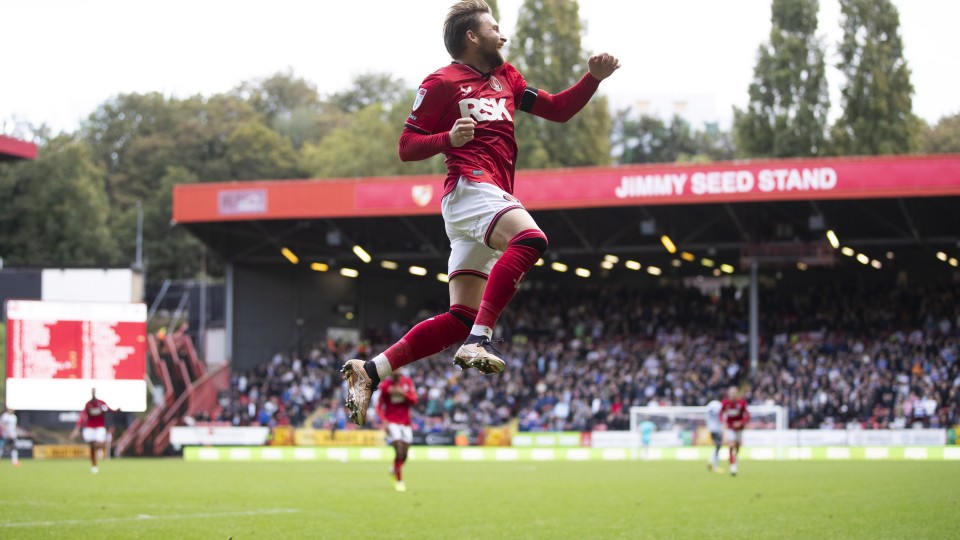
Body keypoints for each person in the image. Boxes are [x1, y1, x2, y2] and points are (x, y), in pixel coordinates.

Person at [341, 0, 621, 426]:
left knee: (459, 318)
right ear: (472, 37)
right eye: (494, 27)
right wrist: (447, 138)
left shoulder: (507, 78)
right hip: (470, 187)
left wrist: (592, 79)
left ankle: (372, 370)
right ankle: (480, 340)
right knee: (530, 239)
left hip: (485, 198)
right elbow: (406, 146)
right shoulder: (441, 82)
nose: (502, 35)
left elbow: (558, 110)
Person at [376, 371, 418, 492]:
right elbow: (379, 406)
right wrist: (384, 421)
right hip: (391, 422)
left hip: (406, 422)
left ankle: (394, 468)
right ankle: (399, 481)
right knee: (399, 450)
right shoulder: (385, 385)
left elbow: (414, 401)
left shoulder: (407, 383)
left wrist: (403, 393)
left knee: (404, 454)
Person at [70, 388, 116, 473]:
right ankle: (94, 465)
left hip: (99, 427)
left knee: (98, 444)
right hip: (89, 427)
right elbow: (82, 416)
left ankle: (101, 449)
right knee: (92, 447)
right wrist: (77, 429)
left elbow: (110, 410)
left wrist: (117, 410)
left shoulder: (101, 403)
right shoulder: (88, 404)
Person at [720, 386, 750, 477]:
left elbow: (748, 415)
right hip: (730, 428)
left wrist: (741, 422)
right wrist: (723, 422)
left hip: (739, 429)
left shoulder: (742, 403)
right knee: (731, 445)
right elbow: (720, 414)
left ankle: (734, 458)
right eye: (731, 393)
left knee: (737, 446)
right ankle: (732, 466)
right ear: (728, 394)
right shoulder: (725, 403)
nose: (733, 395)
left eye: (734, 393)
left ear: (737, 394)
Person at [705, 398, 723, 472]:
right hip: (717, 428)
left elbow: (706, 417)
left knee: (717, 446)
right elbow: (722, 416)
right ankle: (714, 464)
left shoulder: (709, 406)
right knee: (718, 446)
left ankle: (711, 461)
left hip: (710, 428)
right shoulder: (719, 405)